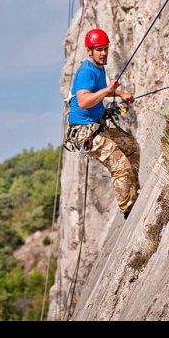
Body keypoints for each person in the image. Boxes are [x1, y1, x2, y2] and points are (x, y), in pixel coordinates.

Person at [65, 28, 140, 219]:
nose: (104, 53)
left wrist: (121, 94)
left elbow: (102, 91)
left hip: (97, 126)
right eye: (99, 49)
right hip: (85, 131)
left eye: (105, 49)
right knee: (120, 166)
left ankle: (134, 192)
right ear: (89, 51)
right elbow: (83, 101)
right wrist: (108, 90)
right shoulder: (86, 72)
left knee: (131, 147)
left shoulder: (99, 68)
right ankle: (129, 209)